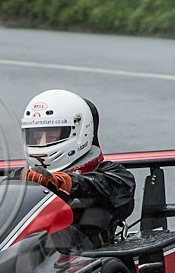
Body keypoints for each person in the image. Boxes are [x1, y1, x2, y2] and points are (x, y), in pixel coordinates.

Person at [20, 89, 135, 247]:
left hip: (83, 258)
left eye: (52, 135)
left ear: (80, 132)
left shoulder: (110, 174)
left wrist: (65, 183)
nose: (42, 143)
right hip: (28, 257)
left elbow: (117, 192)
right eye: (37, 136)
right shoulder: (26, 176)